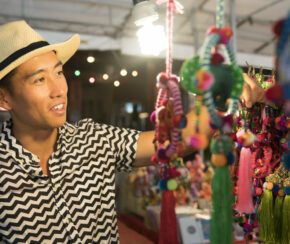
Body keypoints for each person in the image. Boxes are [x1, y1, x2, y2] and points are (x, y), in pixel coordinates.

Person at [0, 20, 264, 243]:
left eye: (58, 73)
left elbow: (179, 140)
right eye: (39, 79)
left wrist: (220, 95)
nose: (58, 89)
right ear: (4, 99)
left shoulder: (91, 141)